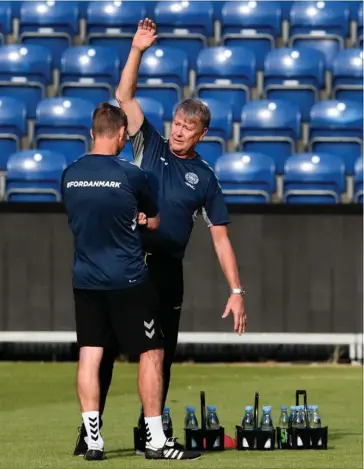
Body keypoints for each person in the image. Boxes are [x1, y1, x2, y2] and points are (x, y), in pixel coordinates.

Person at [73, 19, 247, 456]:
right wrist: (137, 51)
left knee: (160, 355)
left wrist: (236, 290)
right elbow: (124, 97)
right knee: (105, 350)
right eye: (176, 122)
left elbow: (221, 238)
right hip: (126, 262)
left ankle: (150, 431)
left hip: (166, 271)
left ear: (202, 134)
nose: (179, 130)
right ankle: (90, 433)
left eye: (189, 126)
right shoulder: (147, 143)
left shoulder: (204, 176)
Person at [64, 102, 201, 461]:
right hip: (128, 278)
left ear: (93, 132)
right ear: (122, 134)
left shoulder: (70, 173)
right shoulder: (131, 175)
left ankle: (92, 441)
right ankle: (155, 440)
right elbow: (154, 222)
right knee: (152, 352)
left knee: (91, 354)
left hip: (85, 279)